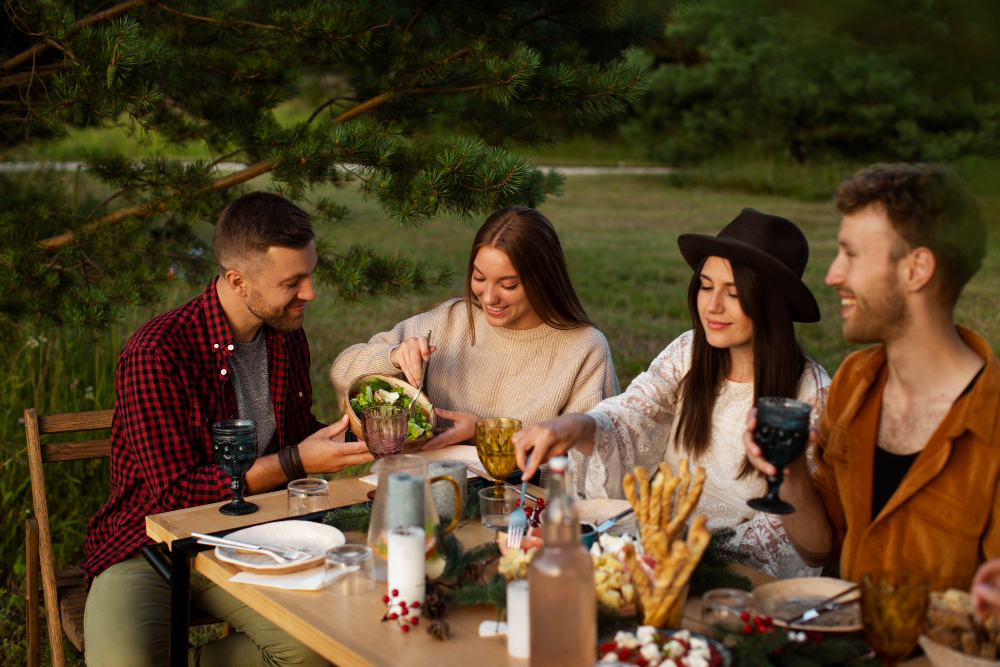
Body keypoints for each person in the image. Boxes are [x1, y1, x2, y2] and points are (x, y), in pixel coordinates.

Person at [82, 192, 371, 667]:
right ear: (237, 280)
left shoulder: (286, 335)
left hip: (256, 538)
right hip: (149, 547)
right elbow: (175, 494)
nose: (310, 292)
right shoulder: (156, 353)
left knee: (317, 651)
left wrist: (359, 432)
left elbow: (299, 437)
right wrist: (297, 462)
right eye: (292, 281)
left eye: (311, 273)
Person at [513, 208, 830, 578]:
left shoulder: (812, 398)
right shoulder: (690, 352)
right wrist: (575, 425)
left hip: (734, 581)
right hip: (655, 556)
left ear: (772, 302)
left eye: (734, 292)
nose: (712, 306)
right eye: (706, 286)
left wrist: (682, 557)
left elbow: (797, 541)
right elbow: (631, 416)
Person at [744, 163, 999, 591]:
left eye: (852, 254)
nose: (832, 275)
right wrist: (788, 473)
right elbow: (819, 549)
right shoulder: (854, 383)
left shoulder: (991, 423)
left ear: (917, 269)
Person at [330, 205, 619, 456]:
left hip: (520, 508)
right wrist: (392, 357)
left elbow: (594, 457)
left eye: (508, 285)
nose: (489, 297)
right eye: (479, 278)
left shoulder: (584, 348)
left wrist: (487, 434)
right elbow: (342, 373)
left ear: (542, 279)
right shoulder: (450, 320)